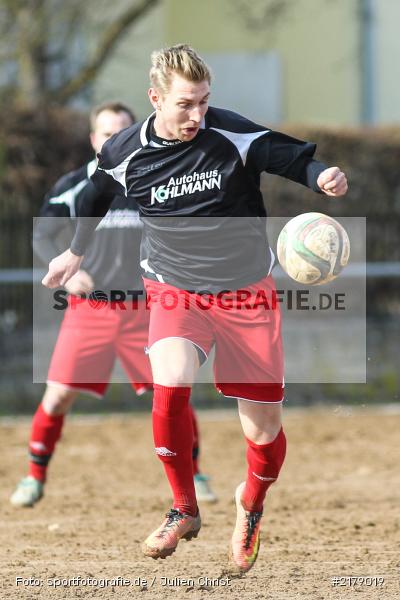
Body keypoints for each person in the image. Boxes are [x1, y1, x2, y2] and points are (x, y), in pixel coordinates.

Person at [41, 45, 348, 573]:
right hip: (174, 289)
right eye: (186, 104)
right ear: (155, 98)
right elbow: (93, 195)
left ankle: (250, 503)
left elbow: (288, 156)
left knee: (263, 432)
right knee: (171, 383)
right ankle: (183, 507)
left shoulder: (227, 132)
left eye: (204, 102)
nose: (197, 115)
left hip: (244, 293)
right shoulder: (124, 151)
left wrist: (321, 176)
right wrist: (75, 251)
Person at [11, 101, 216, 508]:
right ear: (94, 140)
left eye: (121, 131)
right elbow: (42, 236)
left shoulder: (160, 179)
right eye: (106, 133)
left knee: (171, 392)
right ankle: (34, 477)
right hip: (93, 308)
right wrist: (67, 273)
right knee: (57, 396)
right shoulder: (74, 185)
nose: (114, 139)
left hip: (148, 309)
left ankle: (194, 475)